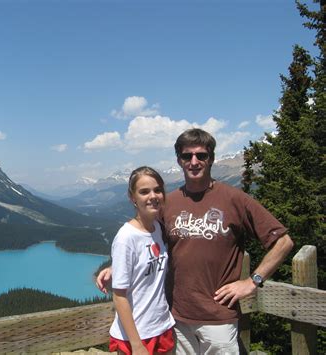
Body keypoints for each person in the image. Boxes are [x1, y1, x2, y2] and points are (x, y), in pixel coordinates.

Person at [97, 128, 294, 355]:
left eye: (201, 155)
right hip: (176, 318)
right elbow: (147, 239)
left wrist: (252, 281)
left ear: (211, 159)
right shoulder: (167, 202)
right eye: (187, 156)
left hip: (219, 318)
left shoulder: (234, 199)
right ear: (179, 161)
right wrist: (118, 266)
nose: (194, 162)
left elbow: (283, 242)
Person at [109, 166, 176, 355]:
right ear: (133, 198)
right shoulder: (126, 237)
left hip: (162, 327)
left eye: (157, 190)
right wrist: (136, 345)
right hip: (137, 336)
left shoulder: (158, 228)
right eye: (144, 191)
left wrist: (113, 268)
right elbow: (119, 295)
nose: (153, 196)